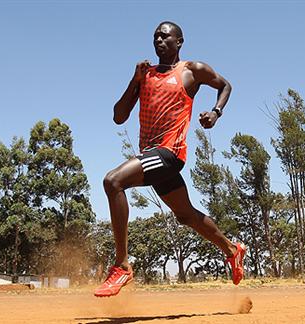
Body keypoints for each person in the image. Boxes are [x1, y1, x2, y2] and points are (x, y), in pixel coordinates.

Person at [94, 21, 245, 297]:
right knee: (186, 215)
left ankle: (121, 265)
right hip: (150, 155)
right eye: (155, 37)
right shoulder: (146, 75)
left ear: (179, 41)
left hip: (169, 154)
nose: (158, 40)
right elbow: (119, 116)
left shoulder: (191, 70)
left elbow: (225, 86)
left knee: (113, 181)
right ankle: (233, 250)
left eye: (165, 36)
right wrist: (135, 80)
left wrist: (215, 113)